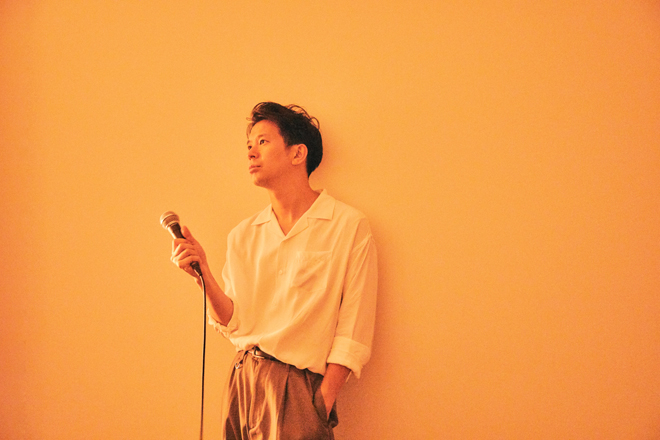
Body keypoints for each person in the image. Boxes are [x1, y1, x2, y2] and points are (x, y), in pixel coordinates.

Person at [169, 102, 378, 440]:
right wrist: (203, 274)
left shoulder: (347, 225)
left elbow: (354, 328)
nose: (251, 151)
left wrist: (320, 403)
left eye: (263, 142)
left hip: (299, 388)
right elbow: (234, 322)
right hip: (242, 381)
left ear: (298, 153)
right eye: (249, 144)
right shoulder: (243, 234)